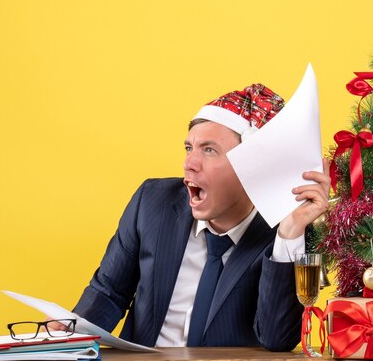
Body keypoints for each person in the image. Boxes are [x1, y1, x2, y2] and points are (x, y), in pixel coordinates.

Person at [69, 84, 331, 351]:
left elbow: (277, 339)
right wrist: (67, 335)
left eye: (209, 150)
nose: (189, 163)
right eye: (188, 148)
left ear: (254, 166)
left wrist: (290, 231)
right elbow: (108, 293)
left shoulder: (286, 235)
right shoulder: (152, 202)